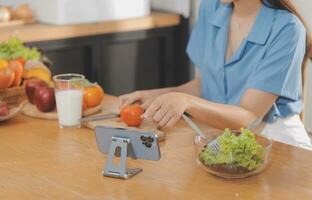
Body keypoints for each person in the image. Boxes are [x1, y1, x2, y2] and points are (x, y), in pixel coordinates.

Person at [119, 0, 312, 148]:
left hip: (277, 139)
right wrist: (158, 96)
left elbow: (249, 116)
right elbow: (209, 84)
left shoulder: (288, 28)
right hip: (223, 135)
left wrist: (186, 101)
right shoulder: (211, 8)